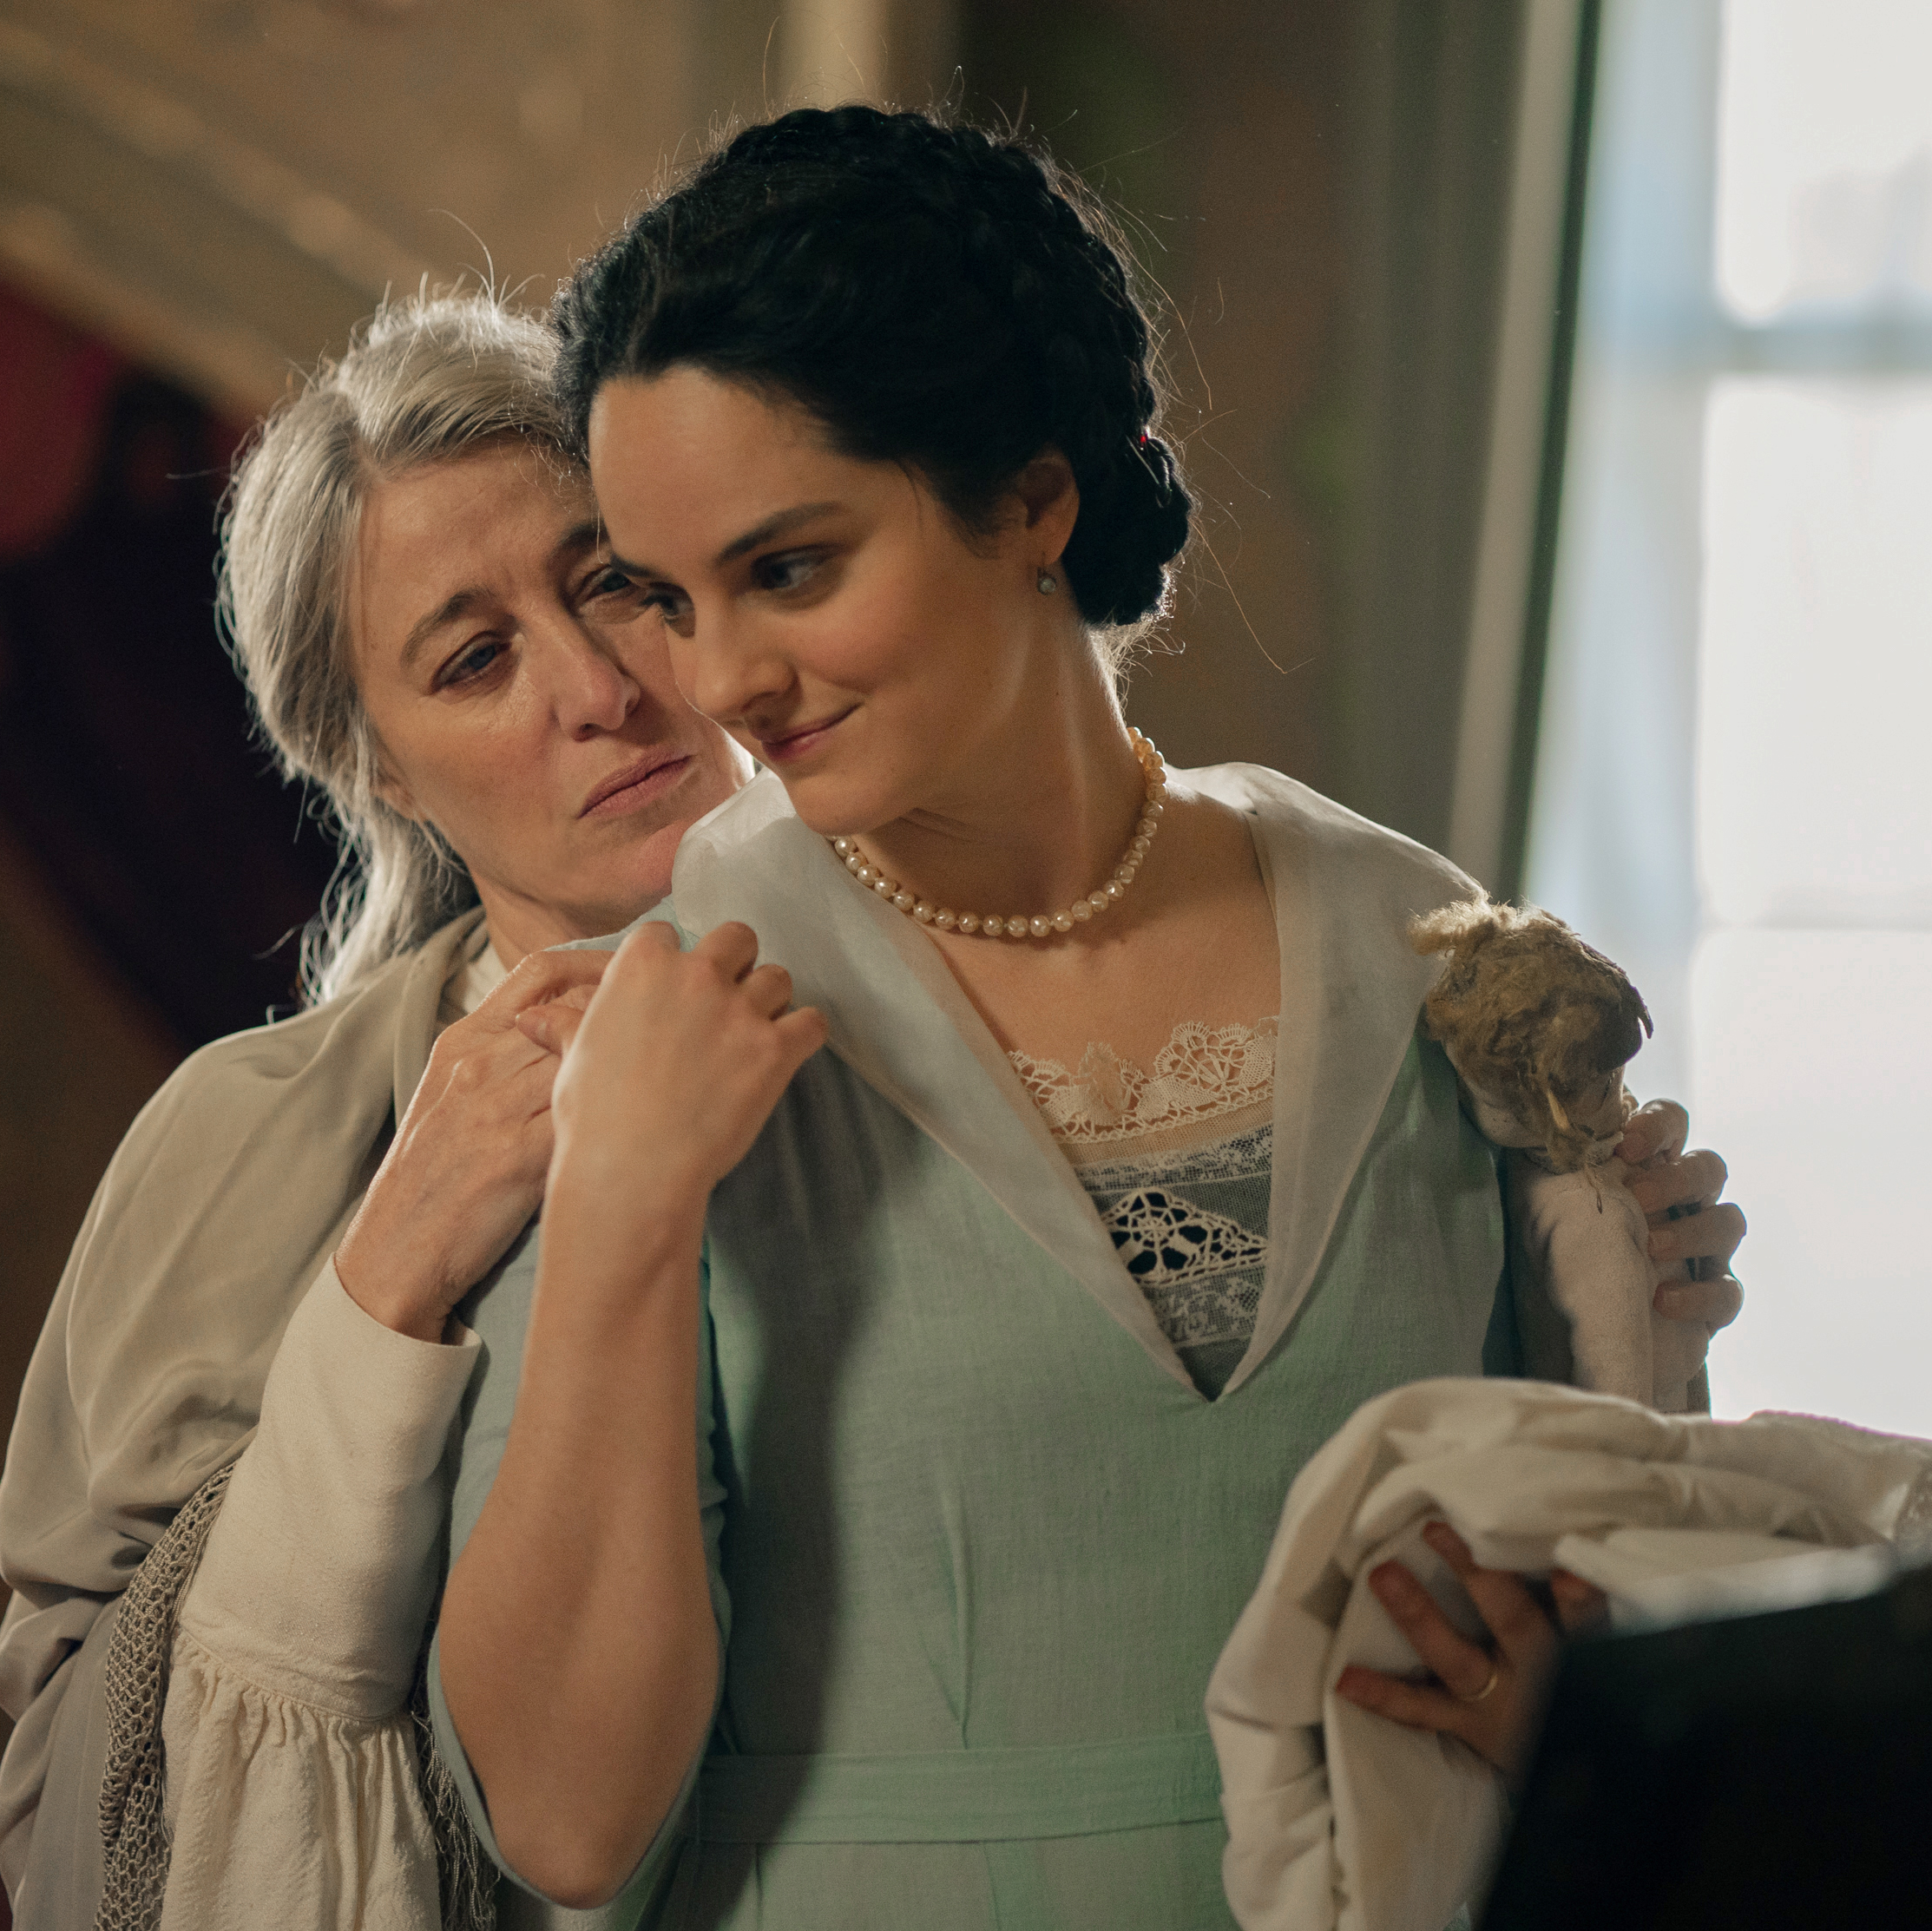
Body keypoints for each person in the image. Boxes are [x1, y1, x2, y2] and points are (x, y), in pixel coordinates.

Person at [426, 108, 1748, 1928]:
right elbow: (562, 1823)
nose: (721, 679)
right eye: (666, 596)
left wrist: (1573, 1680)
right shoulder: (663, 1020)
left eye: (788, 569)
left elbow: (1589, 1590)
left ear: (1033, 498)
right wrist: (620, 1211)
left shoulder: (1423, 951)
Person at [0, 293, 749, 1928]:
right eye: (474, 659)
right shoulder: (242, 1137)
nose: (596, 687)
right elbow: (76, 1806)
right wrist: (379, 1282)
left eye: (609, 580)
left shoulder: (996, 977)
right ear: (378, 767)